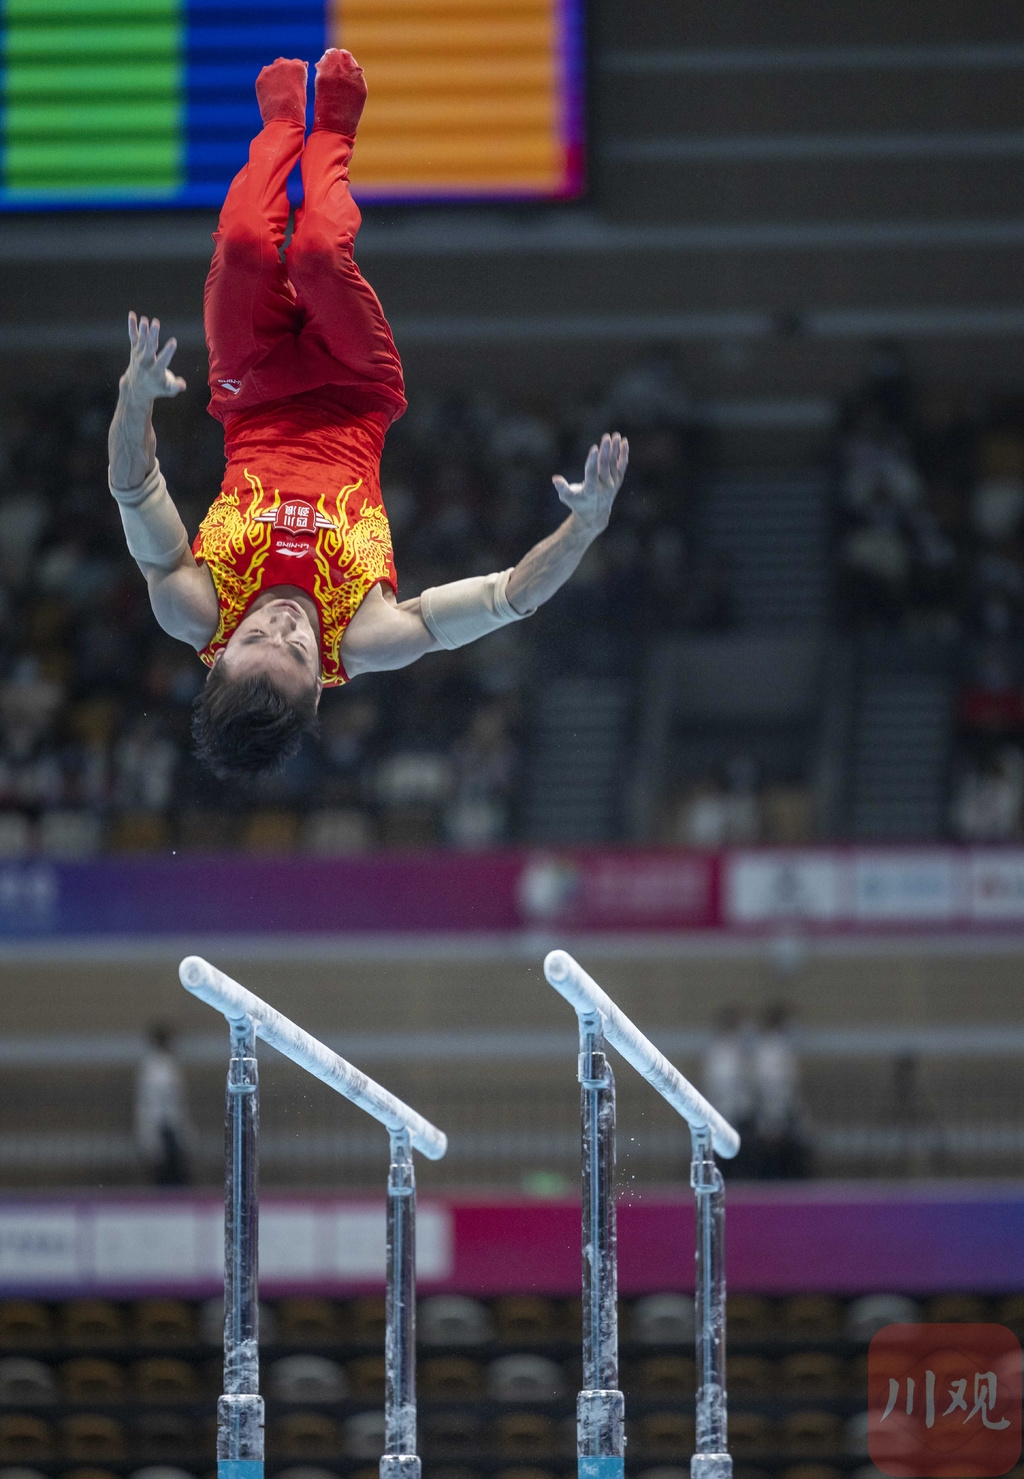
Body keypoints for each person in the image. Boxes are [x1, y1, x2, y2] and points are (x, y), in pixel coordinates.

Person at [106, 50, 629, 780]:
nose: (284, 625)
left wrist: (133, 395)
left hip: (252, 391)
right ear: (320, 687)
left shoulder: (192, 607)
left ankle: (282, 124)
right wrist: (585, 527)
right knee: (318, 253)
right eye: (297, 653)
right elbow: (510, 597)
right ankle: (333, 131)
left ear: (218, 654)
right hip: (355, 392)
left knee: (247, 244)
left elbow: (133, 487)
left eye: (256, 639)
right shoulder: (369, 636)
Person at [135, 1024, 193, 1186]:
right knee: (163, 1171)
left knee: (177, 1170)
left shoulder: (170, 1064)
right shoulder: (151, 1066)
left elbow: (177, 1099)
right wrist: (149, 1135)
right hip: (159, 1123)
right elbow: (149, 1101)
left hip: (171, 1122)